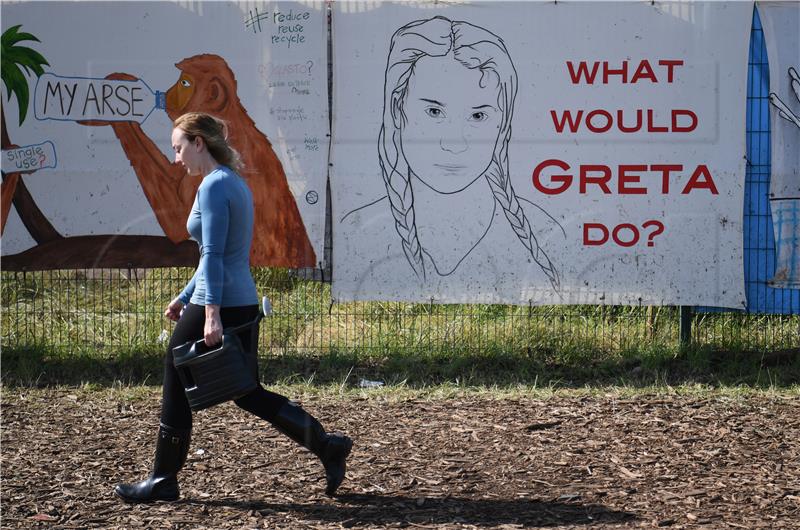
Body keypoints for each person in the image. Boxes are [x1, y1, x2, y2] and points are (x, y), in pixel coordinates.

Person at [114, 112, 352, 503]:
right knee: (248, 392)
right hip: (238, 300)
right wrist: (185, 296)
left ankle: (163, 479)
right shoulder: (231, 183)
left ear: (198, 143)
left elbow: (213, 255)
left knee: (177, 370)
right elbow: (220, 255)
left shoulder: (213, 187)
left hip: (222, 302)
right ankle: (326, 445)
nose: (176, 159)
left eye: (178, 149)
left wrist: (209, 312)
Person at [372, 16, 562, 290]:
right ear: (397, 110)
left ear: (503, 125)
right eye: (434, 112)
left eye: (478, 115)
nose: (454, 142)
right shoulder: (361, 224)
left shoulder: (548, 233)